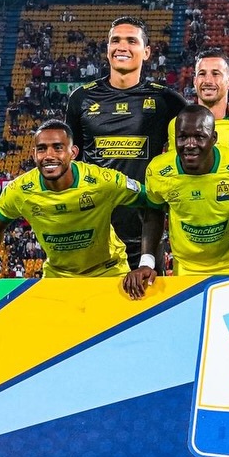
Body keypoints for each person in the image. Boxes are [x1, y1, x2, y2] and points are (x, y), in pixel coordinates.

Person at [0, 120, 159, 297]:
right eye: (42, 149)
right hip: (58, 276)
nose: (49, 155)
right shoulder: (19, 191)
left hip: (109, 272)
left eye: (57, 147)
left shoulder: (103, 181)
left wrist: (146, 263)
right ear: (34, 154)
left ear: (73, 153)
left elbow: (152, 202)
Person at [65, 16, 187, 271]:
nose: (122, 47)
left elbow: (206, 125)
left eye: (131, 41)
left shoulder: (165, 99)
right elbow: (71, 164)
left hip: (147, 235)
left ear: (146, 52)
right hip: (94, 232)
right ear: (107, 48)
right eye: (115, 40)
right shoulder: (81, 98)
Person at [126, 105, 229, 290]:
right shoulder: (158, 170)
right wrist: (146, 262)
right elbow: (154, 212)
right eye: (182, 137)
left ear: (214, 138)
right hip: (187, 269)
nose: (190, 144)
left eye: (199, 137)